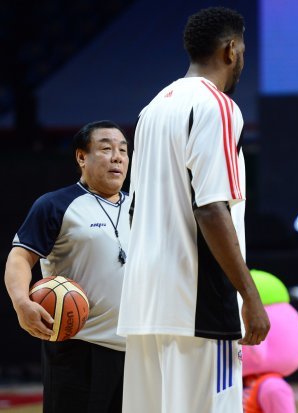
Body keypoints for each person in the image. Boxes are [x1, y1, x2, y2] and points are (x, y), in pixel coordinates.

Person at [116, 7, 269, 413]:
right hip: (198, 303)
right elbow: (211, 209)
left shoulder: (151, 109)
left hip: (145, 302)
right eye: (243, 50)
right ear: (231, 49)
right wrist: (249, 296)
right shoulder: (216, 106)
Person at [4, 120, 130, 413]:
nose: (117, 157)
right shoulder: (55, 204)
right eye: (106, 148)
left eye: (123, 150)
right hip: (77, 348)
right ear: (81, 157)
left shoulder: (142, 205)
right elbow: (21, 257)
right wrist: (21, 302)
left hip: (136, 350)